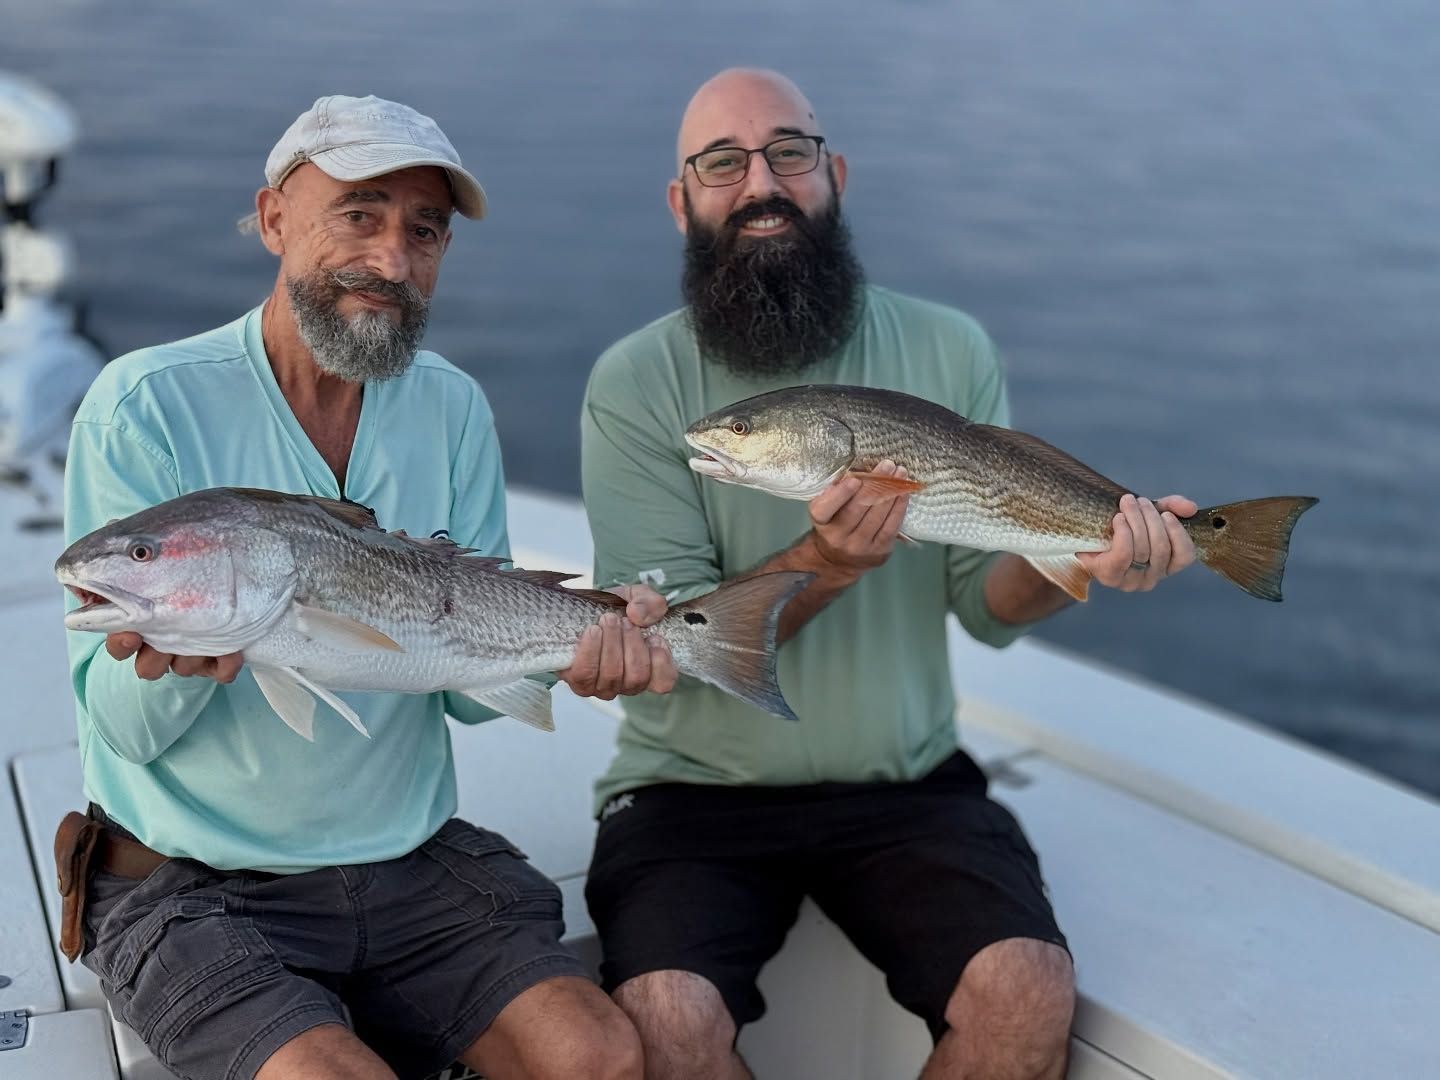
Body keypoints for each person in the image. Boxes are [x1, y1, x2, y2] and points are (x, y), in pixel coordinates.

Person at [579, 68, 1199, 1079]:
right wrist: (823, 561)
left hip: (905, 781)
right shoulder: (638, 384)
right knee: (662, 1018)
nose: (760, 182)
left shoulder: (948, 347)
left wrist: (1077, 561)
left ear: (836, 174)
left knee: (1027, 990)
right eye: (722, 162)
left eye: (790, 151)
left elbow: (986, 606)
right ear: (680, 199)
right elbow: (677, 643)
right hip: (696, 790)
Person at [59, 94, 670, 1080]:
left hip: (408, 863)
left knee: (597, 1054)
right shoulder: (145, 406)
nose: (392, 261)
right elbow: (123, 734)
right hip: (190, 882)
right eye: (360, 214)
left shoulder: (452, 407)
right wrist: (180, 659)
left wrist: (578, 653)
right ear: (273, 220)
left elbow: (468, 704)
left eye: (422, 232)